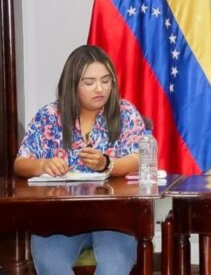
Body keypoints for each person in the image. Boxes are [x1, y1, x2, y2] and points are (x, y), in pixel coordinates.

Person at [14, 45, 145, 275]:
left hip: (114, 217)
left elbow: (139, 158)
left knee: (114, 266)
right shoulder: (49, 116)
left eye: (106, 81)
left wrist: (107, 164)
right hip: (59, 216)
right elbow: (20, 163)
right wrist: (43, 165)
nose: (100, 88)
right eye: (89, 82)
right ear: (72, 84)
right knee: (50, 263)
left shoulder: (125, 113)